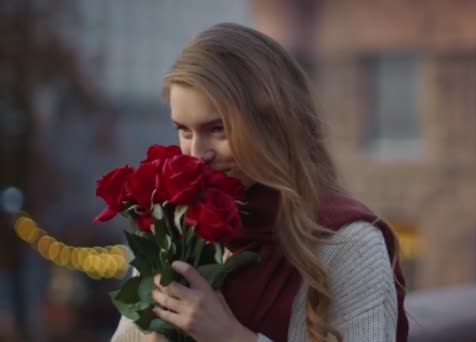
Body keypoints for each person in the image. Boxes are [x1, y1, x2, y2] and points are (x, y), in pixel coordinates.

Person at [111, 23, 408, 342]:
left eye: (218, 129)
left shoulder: (350, 244)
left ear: (272, 124)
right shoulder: (175, 229)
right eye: (184, 131)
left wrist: (230, 337)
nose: (197, 154)